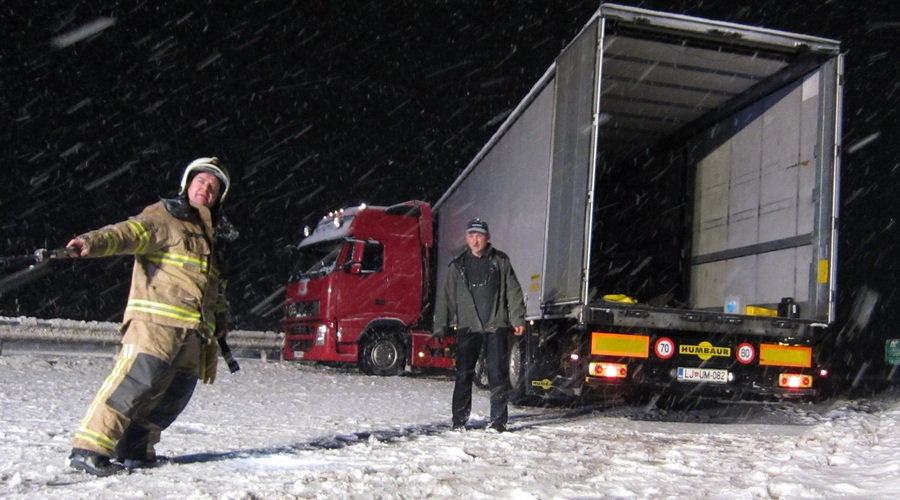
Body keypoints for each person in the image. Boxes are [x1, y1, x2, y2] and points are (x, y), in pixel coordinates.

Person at [65, 157, 238, 476]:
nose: (205, 188)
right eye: (200, 181)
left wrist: (220, 325)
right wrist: (92, 242)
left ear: (219, 197)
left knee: (173, 395)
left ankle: (136, 448)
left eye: (213, 186)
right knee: (133, 384)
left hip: (194, 332)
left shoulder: (214, 239)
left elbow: (216, 289)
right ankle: (89, 448)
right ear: (188, 185)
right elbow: (130, 233)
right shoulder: (166, 216)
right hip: (155, 325)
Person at [433, 218, 526, 432]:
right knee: (464, 374)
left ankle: (498, 422)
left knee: (497, 374)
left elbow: (513, 291)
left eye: (479, 236)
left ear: (488, 238)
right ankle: (459, 421)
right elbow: (446, 297)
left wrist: (517, 318)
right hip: (468, 326)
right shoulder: (458, 265)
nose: (475, 240)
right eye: (471, 236)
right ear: (466, 238)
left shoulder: (500, 261)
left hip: (495, 324)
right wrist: (441, 324)